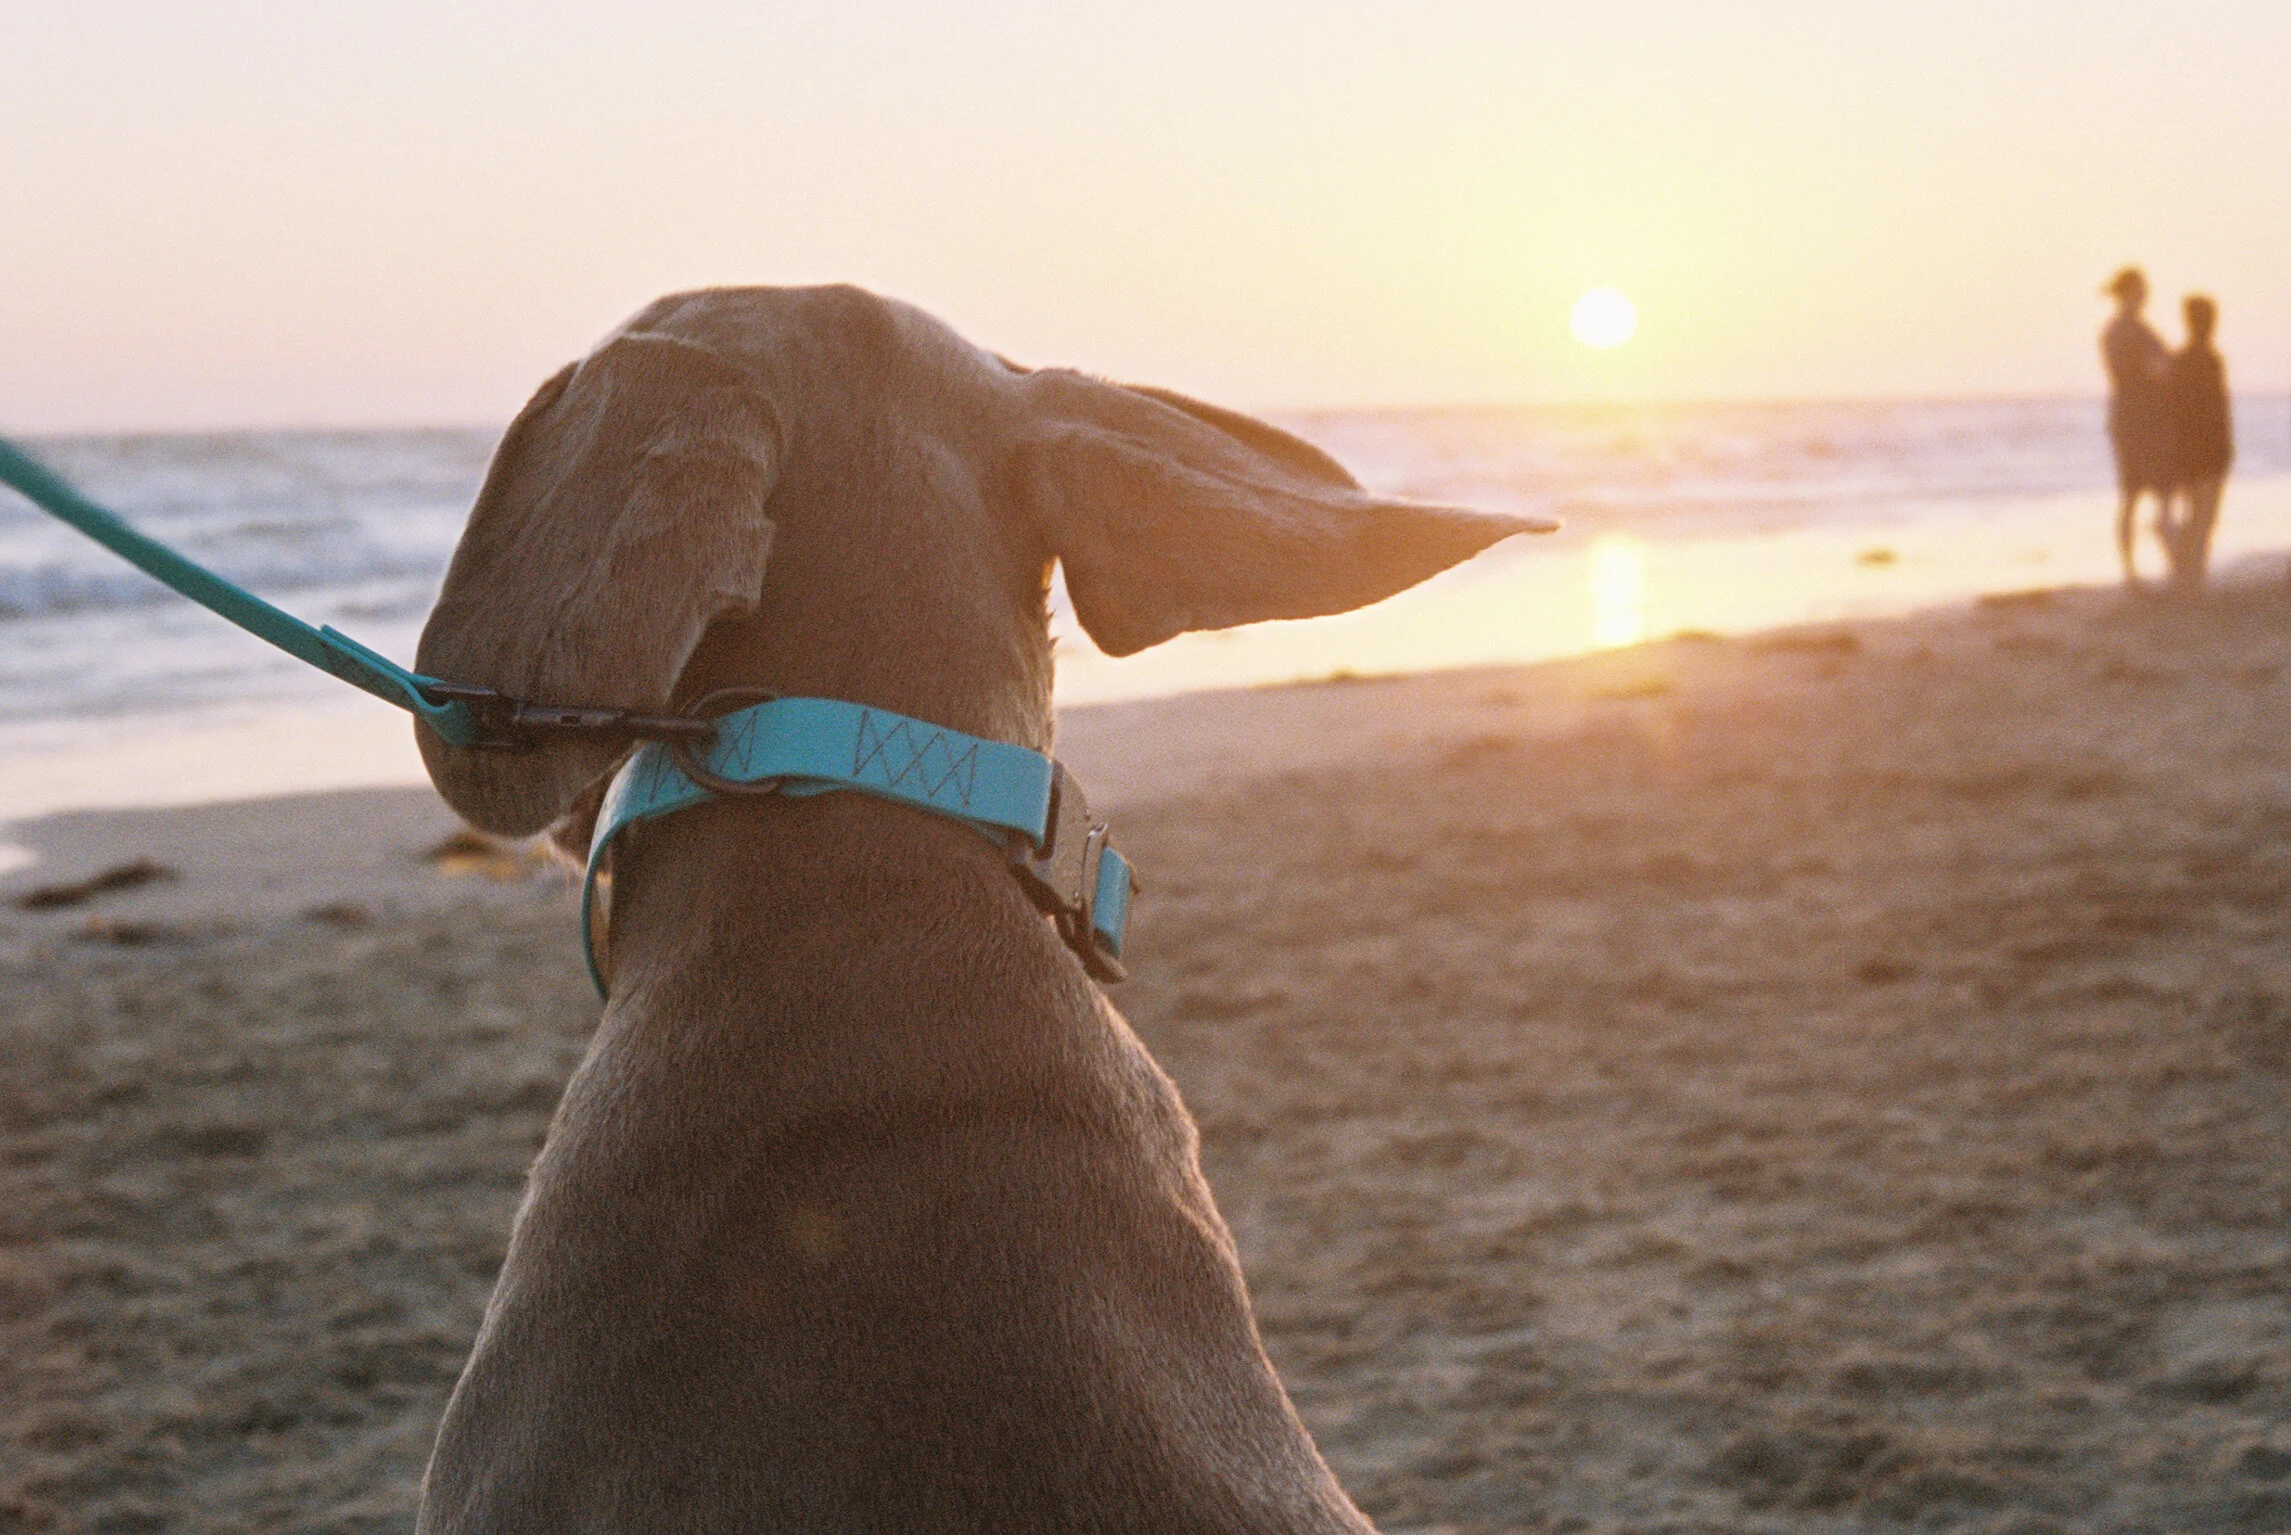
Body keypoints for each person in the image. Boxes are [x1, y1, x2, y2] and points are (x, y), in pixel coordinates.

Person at [2100, 267, 2173, 586]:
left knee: (2130, 496)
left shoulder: (2111, 332)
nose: (2145, 295)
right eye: (2142, 290)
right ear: (2131, 293)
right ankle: (2173, 562)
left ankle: (2131, 571)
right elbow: (2159, 371)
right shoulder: (2137, 332)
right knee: (2162, 492)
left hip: (2124, 417)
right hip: (2145, 419)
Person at [2161, 293, 2233, 593]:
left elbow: (2172, 411)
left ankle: (2186, 576)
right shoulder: (2211, 360)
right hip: (2209, 449)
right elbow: (2219, 410)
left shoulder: (2179, 361)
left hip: (2186, 450)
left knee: (2195, 517)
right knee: (2204, 519)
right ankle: (2193, 579)